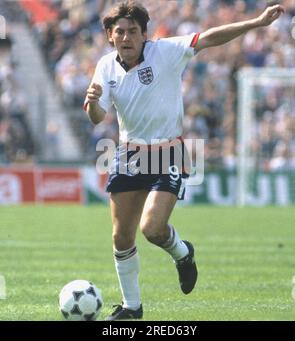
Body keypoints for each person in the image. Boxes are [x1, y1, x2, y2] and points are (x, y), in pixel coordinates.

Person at [84, 1, 284, 320]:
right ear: (110, 36)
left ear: (143, 34)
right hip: (127, 153)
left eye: (133, 31)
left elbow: (209, 37)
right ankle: (132, 308)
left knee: (152, 229)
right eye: (119, 32)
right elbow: (97, 118)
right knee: (121, 236)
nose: (126, 37)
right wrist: (92, 104)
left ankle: (182, 253)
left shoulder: (166, 51)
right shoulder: (106, 66)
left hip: (167, 151)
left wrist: (256, 23)